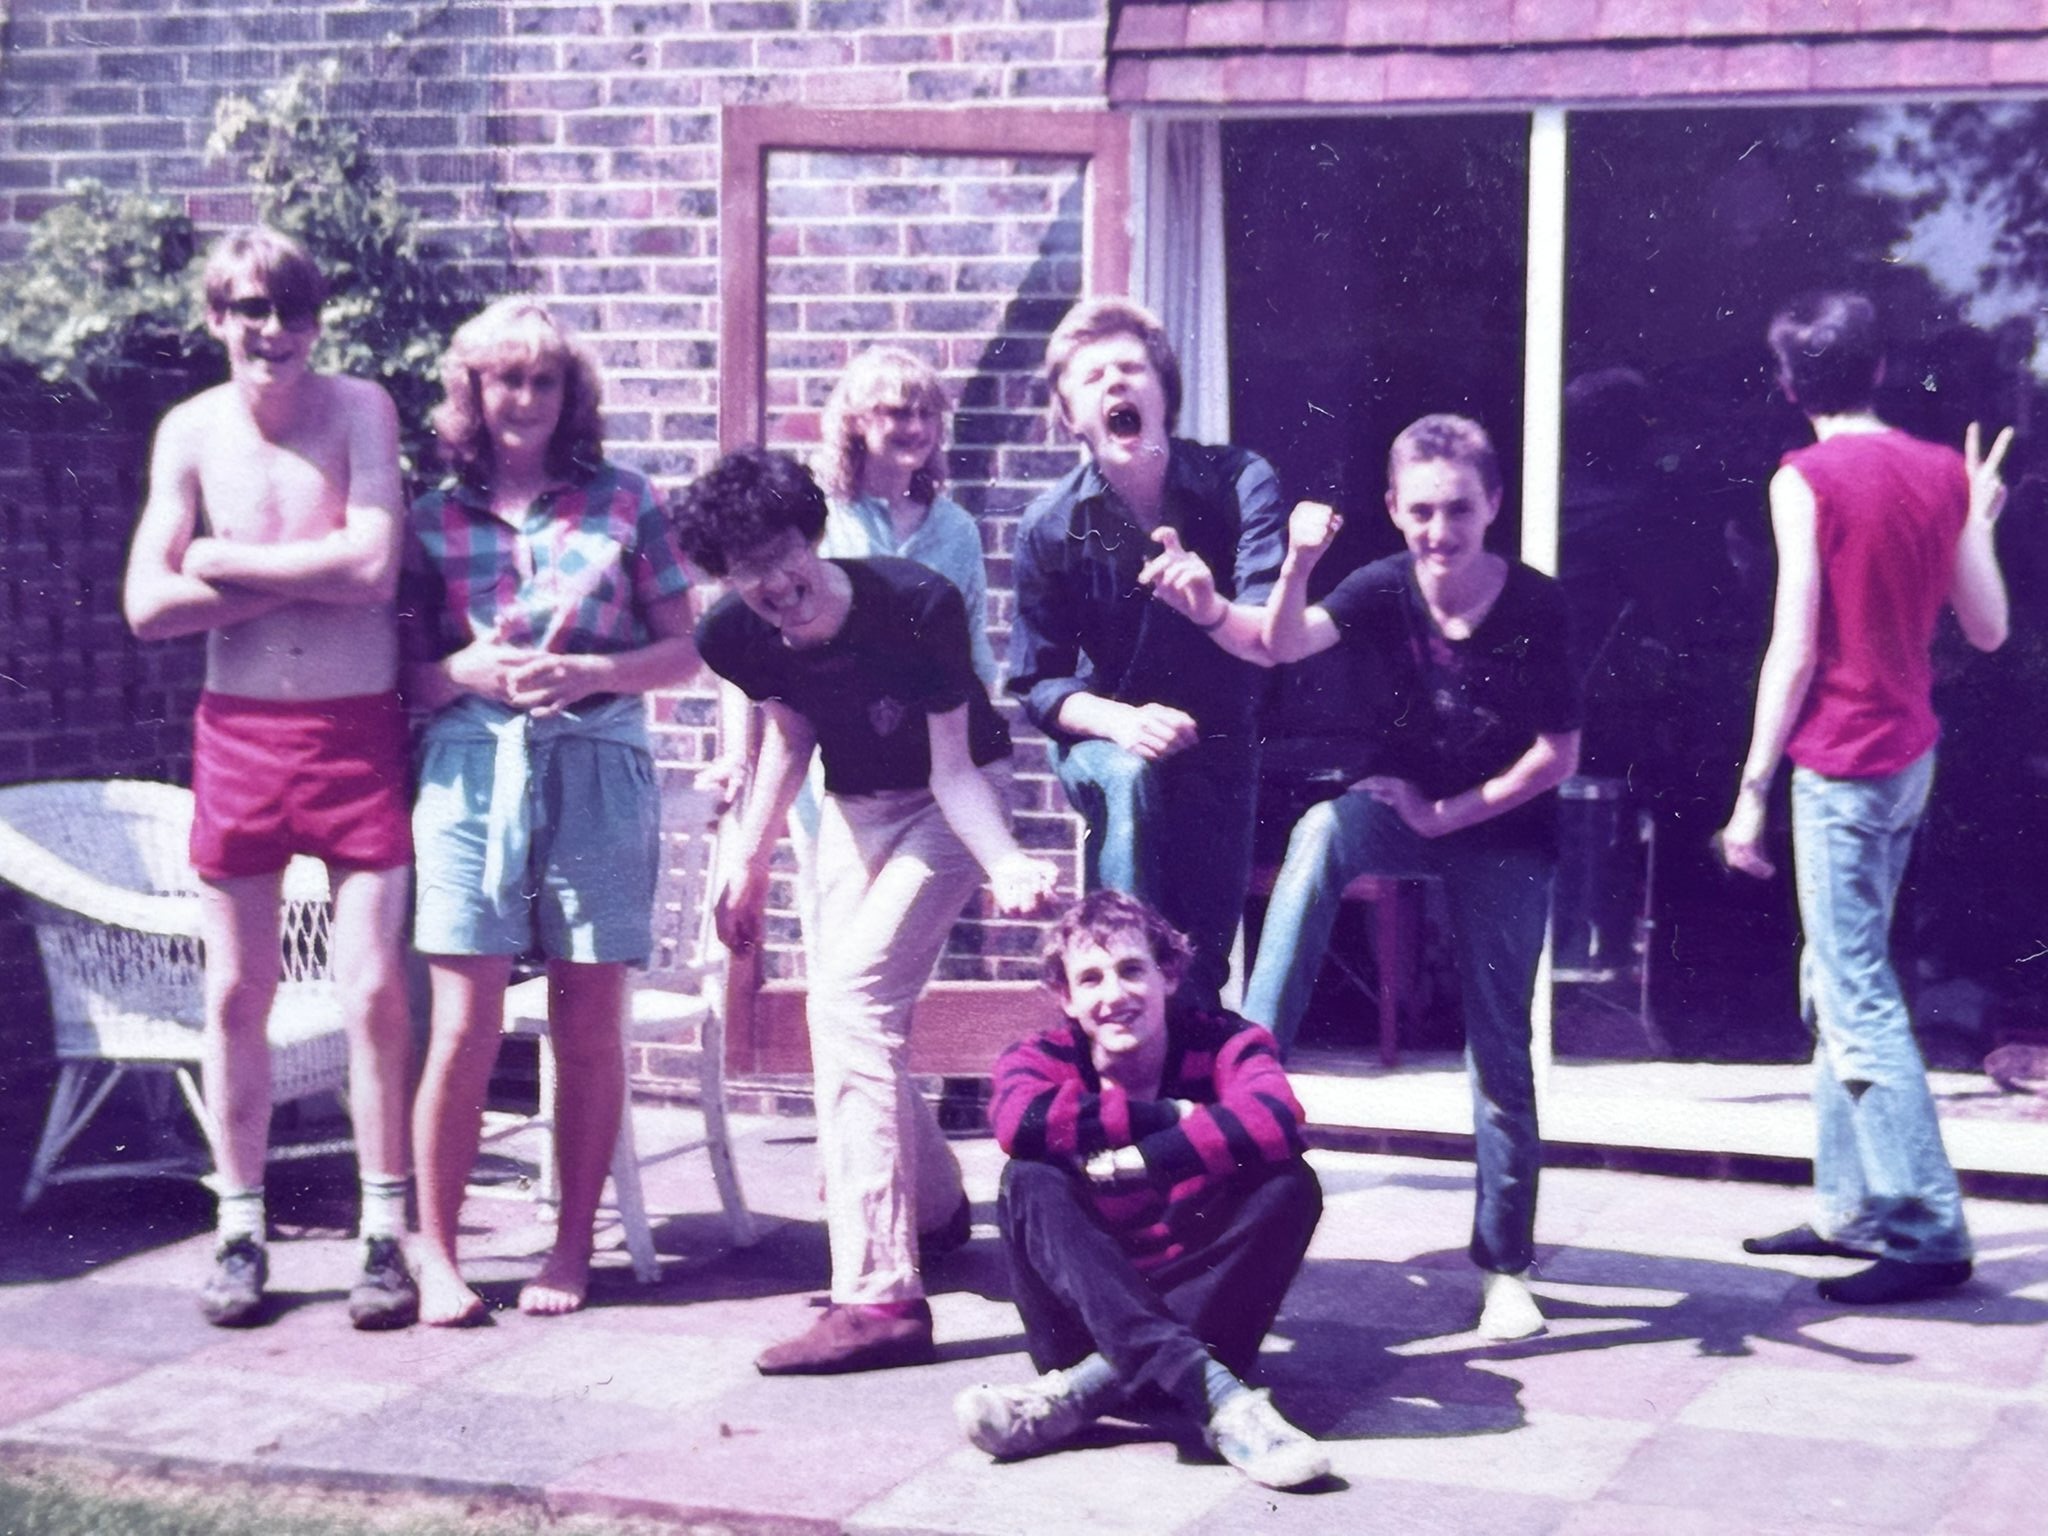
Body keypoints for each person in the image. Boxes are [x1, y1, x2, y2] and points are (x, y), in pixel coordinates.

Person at [1145, 413, 1581, 1341]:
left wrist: (1445, 815)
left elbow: (1556, 756)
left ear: (1492, 504)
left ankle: (1506, 1265)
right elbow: (1280, 641)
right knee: (1320, 834)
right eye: (1419, 511)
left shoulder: (1537, 606)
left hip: (1503, 828)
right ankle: (1247, 1075)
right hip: (1407, 811)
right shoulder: (1384, 587)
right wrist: (1298, 558)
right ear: (1393, 508)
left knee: (1501, 1046)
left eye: (1458, 509)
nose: (1439, 531)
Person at [674, 447, 1060, 1375]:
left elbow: (954, 770)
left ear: (812, 532)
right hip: (855, 807)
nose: (774, 583)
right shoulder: (731, 634)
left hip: (951, 803)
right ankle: (930, 1206)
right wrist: (751, 862)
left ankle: (881, 1297)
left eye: (782, 553)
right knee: (840, 1014)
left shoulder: (916, 602)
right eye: (746, 570)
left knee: (851, 1003)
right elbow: (792, 734)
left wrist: (1004, 864)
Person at [122, 226, 418, 1330]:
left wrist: (219, 560)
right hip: (239, 735)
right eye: (249, 309)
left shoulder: (363, 409)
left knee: (375, 993)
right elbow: (147, 607)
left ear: (316, 321)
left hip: (354, 734)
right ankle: (237, 1228)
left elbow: (375, 566)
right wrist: (309, 578)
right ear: (216, 319)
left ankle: (382, 1234)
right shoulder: (188, 431)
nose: (272, 332)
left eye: (291, 311)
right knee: (236, 992)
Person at [400, 297, 699, 1326]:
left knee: (585, 1017)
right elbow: (398, 674)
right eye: (502, 379)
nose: (522, 398)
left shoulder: (625, 500)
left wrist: (589, 669)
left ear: (569, 395)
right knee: (466, 1015)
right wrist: (457, 668)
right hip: (469, 767)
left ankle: (570, 1245)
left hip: (595, 762)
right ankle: (435, 1254)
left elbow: (686, 650)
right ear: (472, 394)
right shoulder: (429, 514)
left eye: (542, 380)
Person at [1716, 291, 2012, 1306]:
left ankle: (1926, 1227)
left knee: (1852, 994)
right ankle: (1852, 1208)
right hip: (1905, 759)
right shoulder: (1939, 474)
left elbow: (1792, 646)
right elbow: (1985, 629)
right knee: (1834, 977)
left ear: (1790, 384)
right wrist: (1972, 519)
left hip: (1840, 764)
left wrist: (1751, 792)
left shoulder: (1801, 478)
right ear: (1879, 370)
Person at [957, 891, 1327, 1491]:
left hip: (1204, 1315)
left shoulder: (1225, 1042)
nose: (1114, 996)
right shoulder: (1041, 1057)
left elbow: (1277, 1115)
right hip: (1078, 1326)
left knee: (1290, 1184)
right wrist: (1167, 1116)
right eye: (1091, 979)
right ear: (1066, 998)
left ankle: (1077, 1396)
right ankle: (1221, 1403)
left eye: (1132, 970)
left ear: (1170, 974)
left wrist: (1136, 1162)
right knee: (1028, 1175)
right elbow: (1018, 1122)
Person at [1007, 298, 1287, 1010]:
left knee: (1198, 976)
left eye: (1131, 368)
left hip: (1217, 746)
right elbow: (1037, 683)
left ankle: (1173, 1099)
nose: (1115, 385)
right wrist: (1119, 723)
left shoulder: (1240, 482)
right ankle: (1116, 983)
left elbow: (1269, 637)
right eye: (1093, 376)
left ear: (1165, 391)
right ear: (1071, 415)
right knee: (1130, 780)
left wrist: (1211, 608)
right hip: (1106, 737)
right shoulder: (1049, 526)